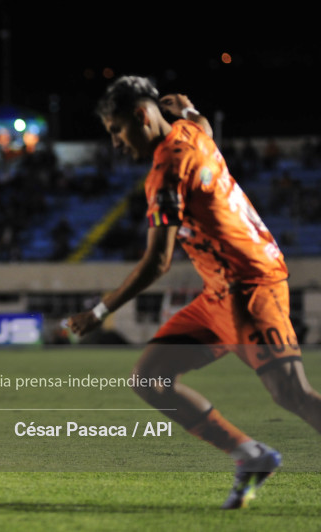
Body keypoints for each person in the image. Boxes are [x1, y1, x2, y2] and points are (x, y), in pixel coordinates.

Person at [68, 76, 321, 509]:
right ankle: (252, 456)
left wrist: (100, 310)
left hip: (253, 284)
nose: (114, 142)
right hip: (221, 291)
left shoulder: (166, 171)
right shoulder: (192, 129)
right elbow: (199, 121)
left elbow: (158, 262)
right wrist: (187, 107)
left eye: (116, 129)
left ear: (142, 116)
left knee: (292, 394)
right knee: (150, 378)